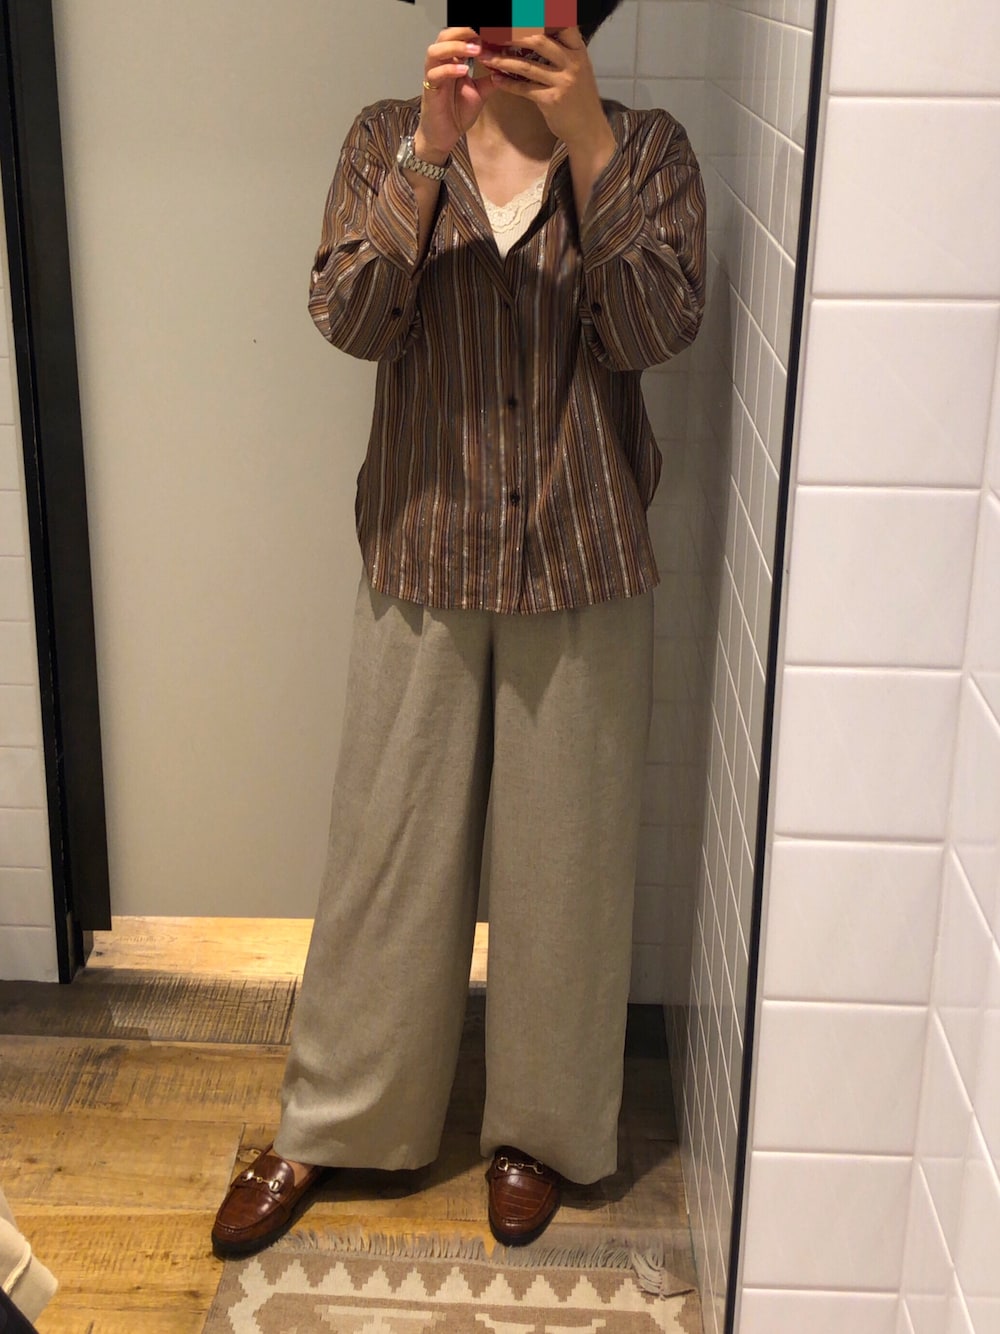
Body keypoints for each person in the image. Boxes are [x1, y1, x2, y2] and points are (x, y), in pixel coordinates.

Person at [211, 3, 706, 1259]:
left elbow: (654, 329)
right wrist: (428, 151)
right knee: (386, 854)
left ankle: (540, 1129)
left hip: (582, 549)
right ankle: (338, 1118)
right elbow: (347, 316)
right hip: (424, 546)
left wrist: (587, 140)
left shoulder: (646, 148)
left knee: (567, 866)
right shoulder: (387, 134)